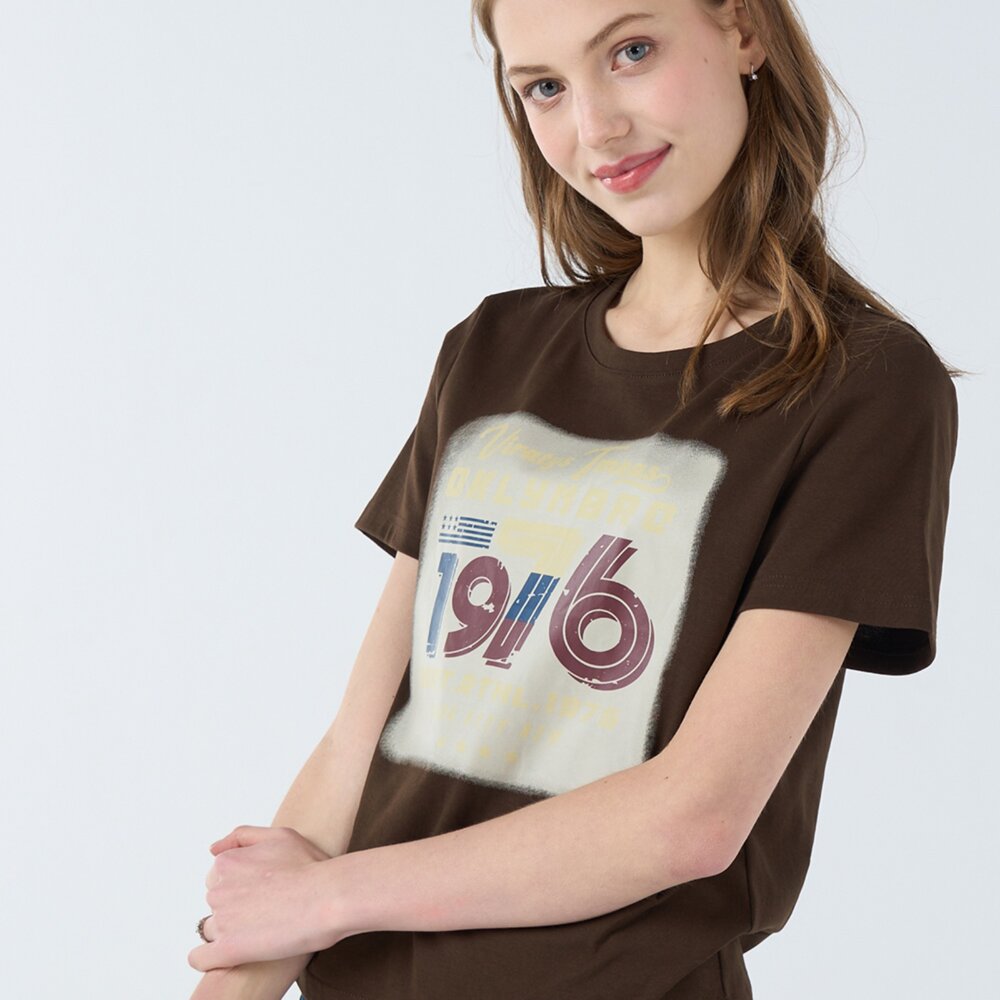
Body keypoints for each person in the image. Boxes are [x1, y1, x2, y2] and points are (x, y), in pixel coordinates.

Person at [187, 1, 962, 998]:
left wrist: (329, 899)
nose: (595, 125)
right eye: (545, 87)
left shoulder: (859, 384)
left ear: (742, 31)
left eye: (631, 52)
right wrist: (243, 970)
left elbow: (692, 817)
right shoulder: (491, 351)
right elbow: (355, 747)